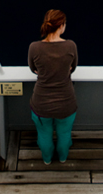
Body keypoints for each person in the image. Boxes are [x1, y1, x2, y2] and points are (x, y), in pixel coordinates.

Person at [28, 9, 78, 165]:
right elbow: (73, 67)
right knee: (64, 135)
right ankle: (63, 158)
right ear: (61, 26)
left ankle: (47, 160)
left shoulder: (34, 47)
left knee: (44, 135)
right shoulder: (70, 46)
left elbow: (33, 68)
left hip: (41, 105)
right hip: (66, 104)